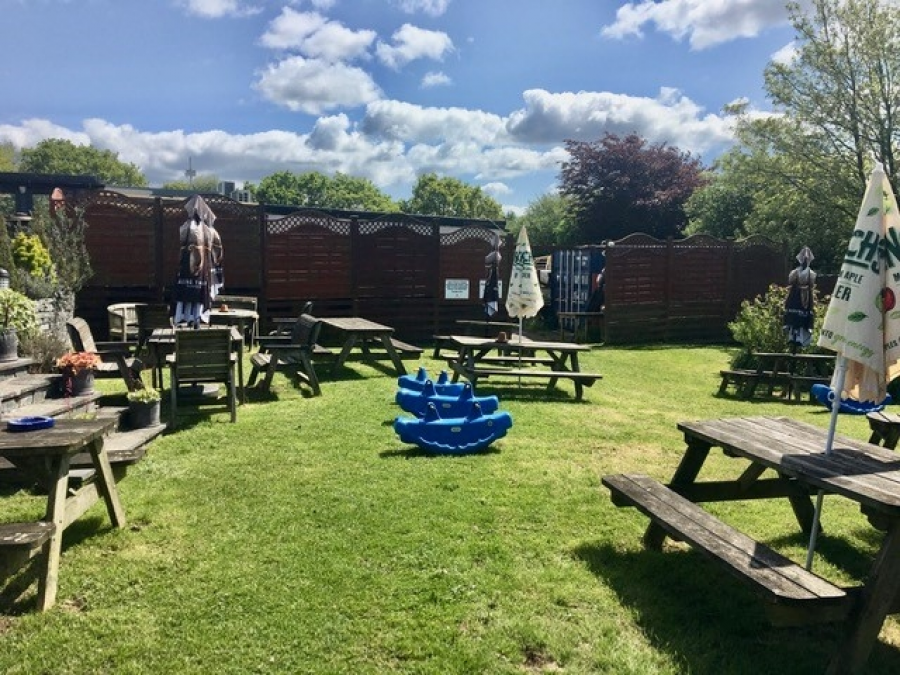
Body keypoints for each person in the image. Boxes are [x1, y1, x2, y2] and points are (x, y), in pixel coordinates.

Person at [173, 195, 218, 327]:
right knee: (191, 294)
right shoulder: (199, 228)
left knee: (192, 295)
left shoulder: (192, 227)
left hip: (195, 266)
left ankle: (192, 318)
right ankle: (191, 318)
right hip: (195, 267)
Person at [783, 246, 816, 350]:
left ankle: (801, 339)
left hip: (806, 296)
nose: (805, 262)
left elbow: (811, 284)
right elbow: (791, 282)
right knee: (794, 316)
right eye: (804, 260)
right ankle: (792, 337)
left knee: (803, 317)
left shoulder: (811, 274)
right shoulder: (795, 272)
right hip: (796, 295)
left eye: (807, 260)